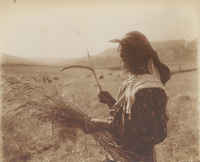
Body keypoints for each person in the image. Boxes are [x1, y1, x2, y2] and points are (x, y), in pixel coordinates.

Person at [83, 31, 171, 162]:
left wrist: (101, 124)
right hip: (122, 154)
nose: (124, 65)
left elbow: (137, 132)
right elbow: (130, 116)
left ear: (138, 58)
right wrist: (111, 102)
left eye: (126, 60)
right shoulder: (134, 82)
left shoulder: (148, 90)